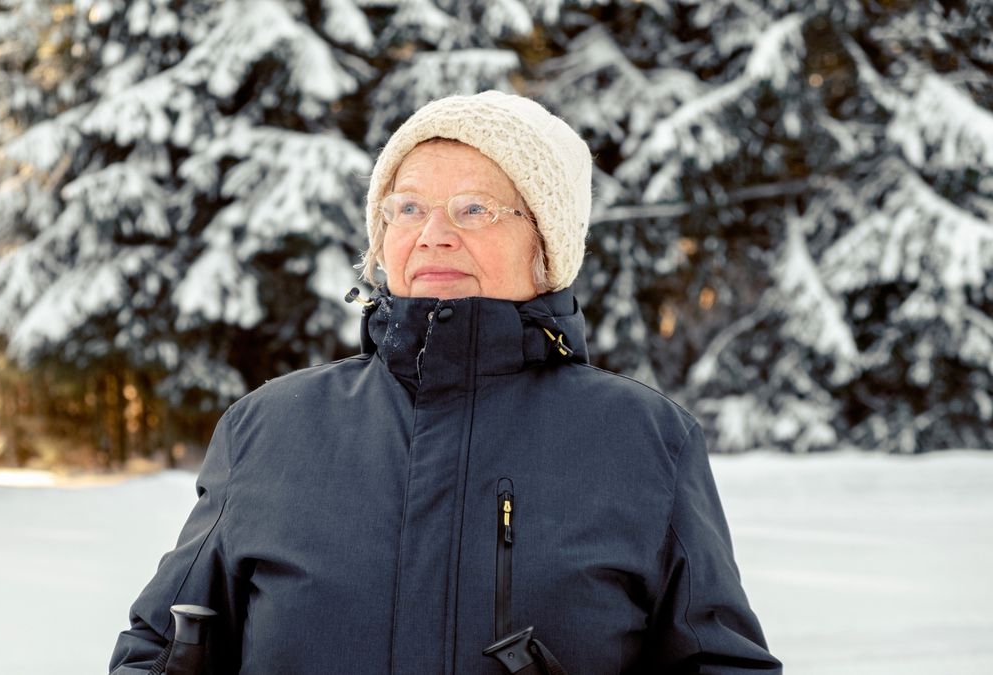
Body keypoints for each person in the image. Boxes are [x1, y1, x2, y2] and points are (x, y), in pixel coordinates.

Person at [108, 91, 781, 674]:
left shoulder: (644, 439)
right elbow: (162, 646)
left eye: (474, 209)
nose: (433, 235)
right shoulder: (269, 427)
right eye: (405, 209)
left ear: (547, 247)